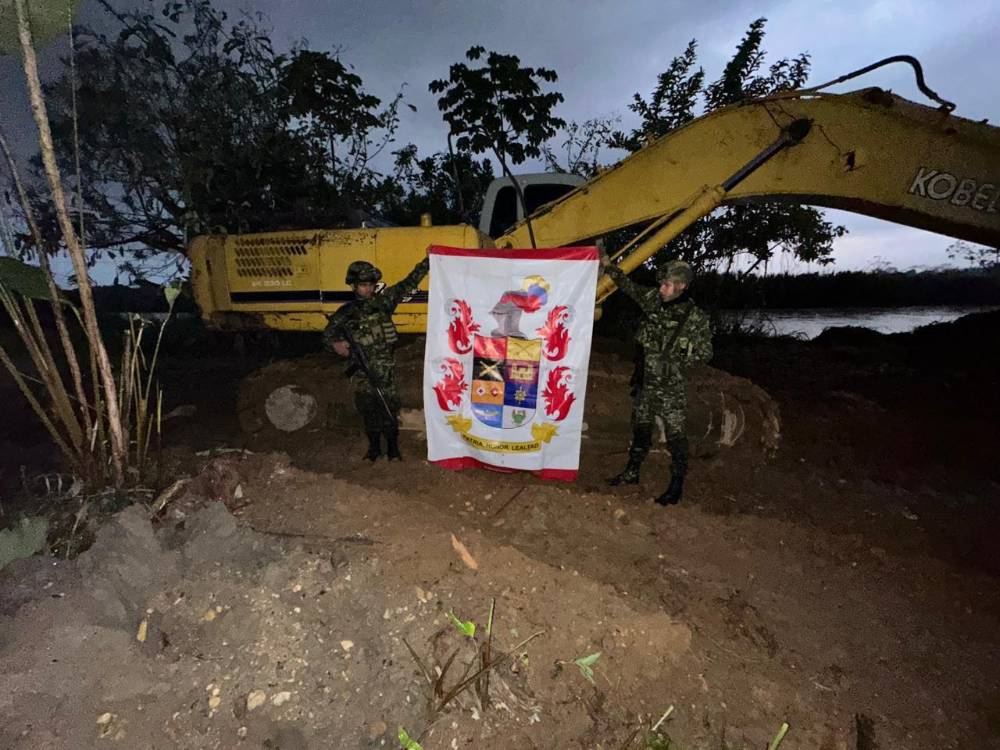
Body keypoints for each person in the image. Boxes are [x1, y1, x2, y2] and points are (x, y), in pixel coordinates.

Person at [599, 251, 713, 506]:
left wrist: (679, 356)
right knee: (640, 428)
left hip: (671, 388)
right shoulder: (653, 299)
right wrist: (608, 265)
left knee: (676, 437)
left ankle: (676, 485)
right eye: (661, 283)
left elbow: (705, 354)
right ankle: (631, 472)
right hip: (645, 382)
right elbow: (628, 287)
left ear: (681, 286)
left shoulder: (695, 318)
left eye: (667, 285)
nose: (661, 288)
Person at [322, 253, 429, 461]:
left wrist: (428, 262)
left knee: (389, 408)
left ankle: (393, 449)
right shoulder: (346, 313)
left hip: (384, 369)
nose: (368, 289)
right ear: (354, 286)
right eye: (363, 285)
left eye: (371, 284)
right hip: (362, 371)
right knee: (368, 409)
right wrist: (337, 345)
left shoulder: (384, 302)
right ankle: (373, 449)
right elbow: (327, 337)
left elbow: (409, 282)